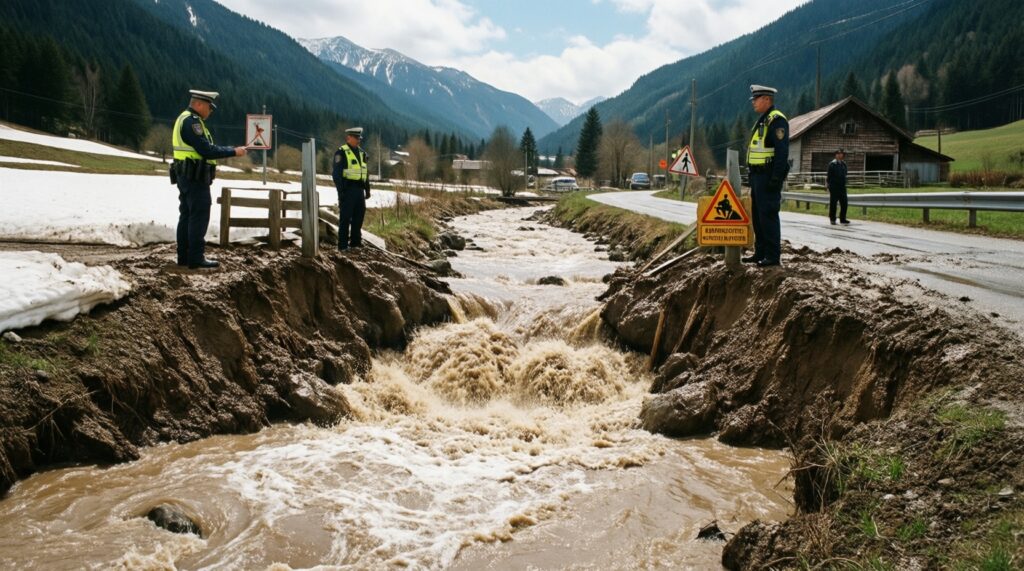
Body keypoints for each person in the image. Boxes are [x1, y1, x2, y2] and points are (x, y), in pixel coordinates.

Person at [170, 89, 246, 269]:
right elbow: (206, 150)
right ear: (198, 104)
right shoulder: (192, 122)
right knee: (198, 216)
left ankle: (184, 257)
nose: (211, 111)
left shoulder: (184, 119)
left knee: (187, 215)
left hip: (186, 175)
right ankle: (196, 258)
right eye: (209, 107)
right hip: (194, 177)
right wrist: (233, 151)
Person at [742, 84, 789, 267]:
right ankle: (760, 252)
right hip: (757, 176)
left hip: (768, 176)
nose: (753, 102)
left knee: (768, 215)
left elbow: (782, 152)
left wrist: (776, 179)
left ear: (767, 100)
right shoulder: (763, 120)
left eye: (756, 99)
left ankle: (772, 256)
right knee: (758, 216)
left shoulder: (776, 120)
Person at [332, 127, 371, 250]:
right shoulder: (341, 152)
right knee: (345, 218)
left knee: (358, 218)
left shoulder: (362, 153)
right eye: (356, 137)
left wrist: (367, 190)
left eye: (359, 138)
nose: (358, 140)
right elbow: (336, 175)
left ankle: (355, 243)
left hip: (359, 191)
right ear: (348, 138)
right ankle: (342, 246)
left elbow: (365, 173)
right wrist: (341, 192)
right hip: (348, 190)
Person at [827, 148, 850, 225]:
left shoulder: (843, 164)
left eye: (842, 154)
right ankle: (832, 219)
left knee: (844, 203)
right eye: (839, 154)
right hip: (834, 186)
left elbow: (845, 174)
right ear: (836, 155)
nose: (840, 155)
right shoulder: (832, 164)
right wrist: (828, 186)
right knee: (833, 203)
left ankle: (843, 218)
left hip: (842, 186)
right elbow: (829, 176)